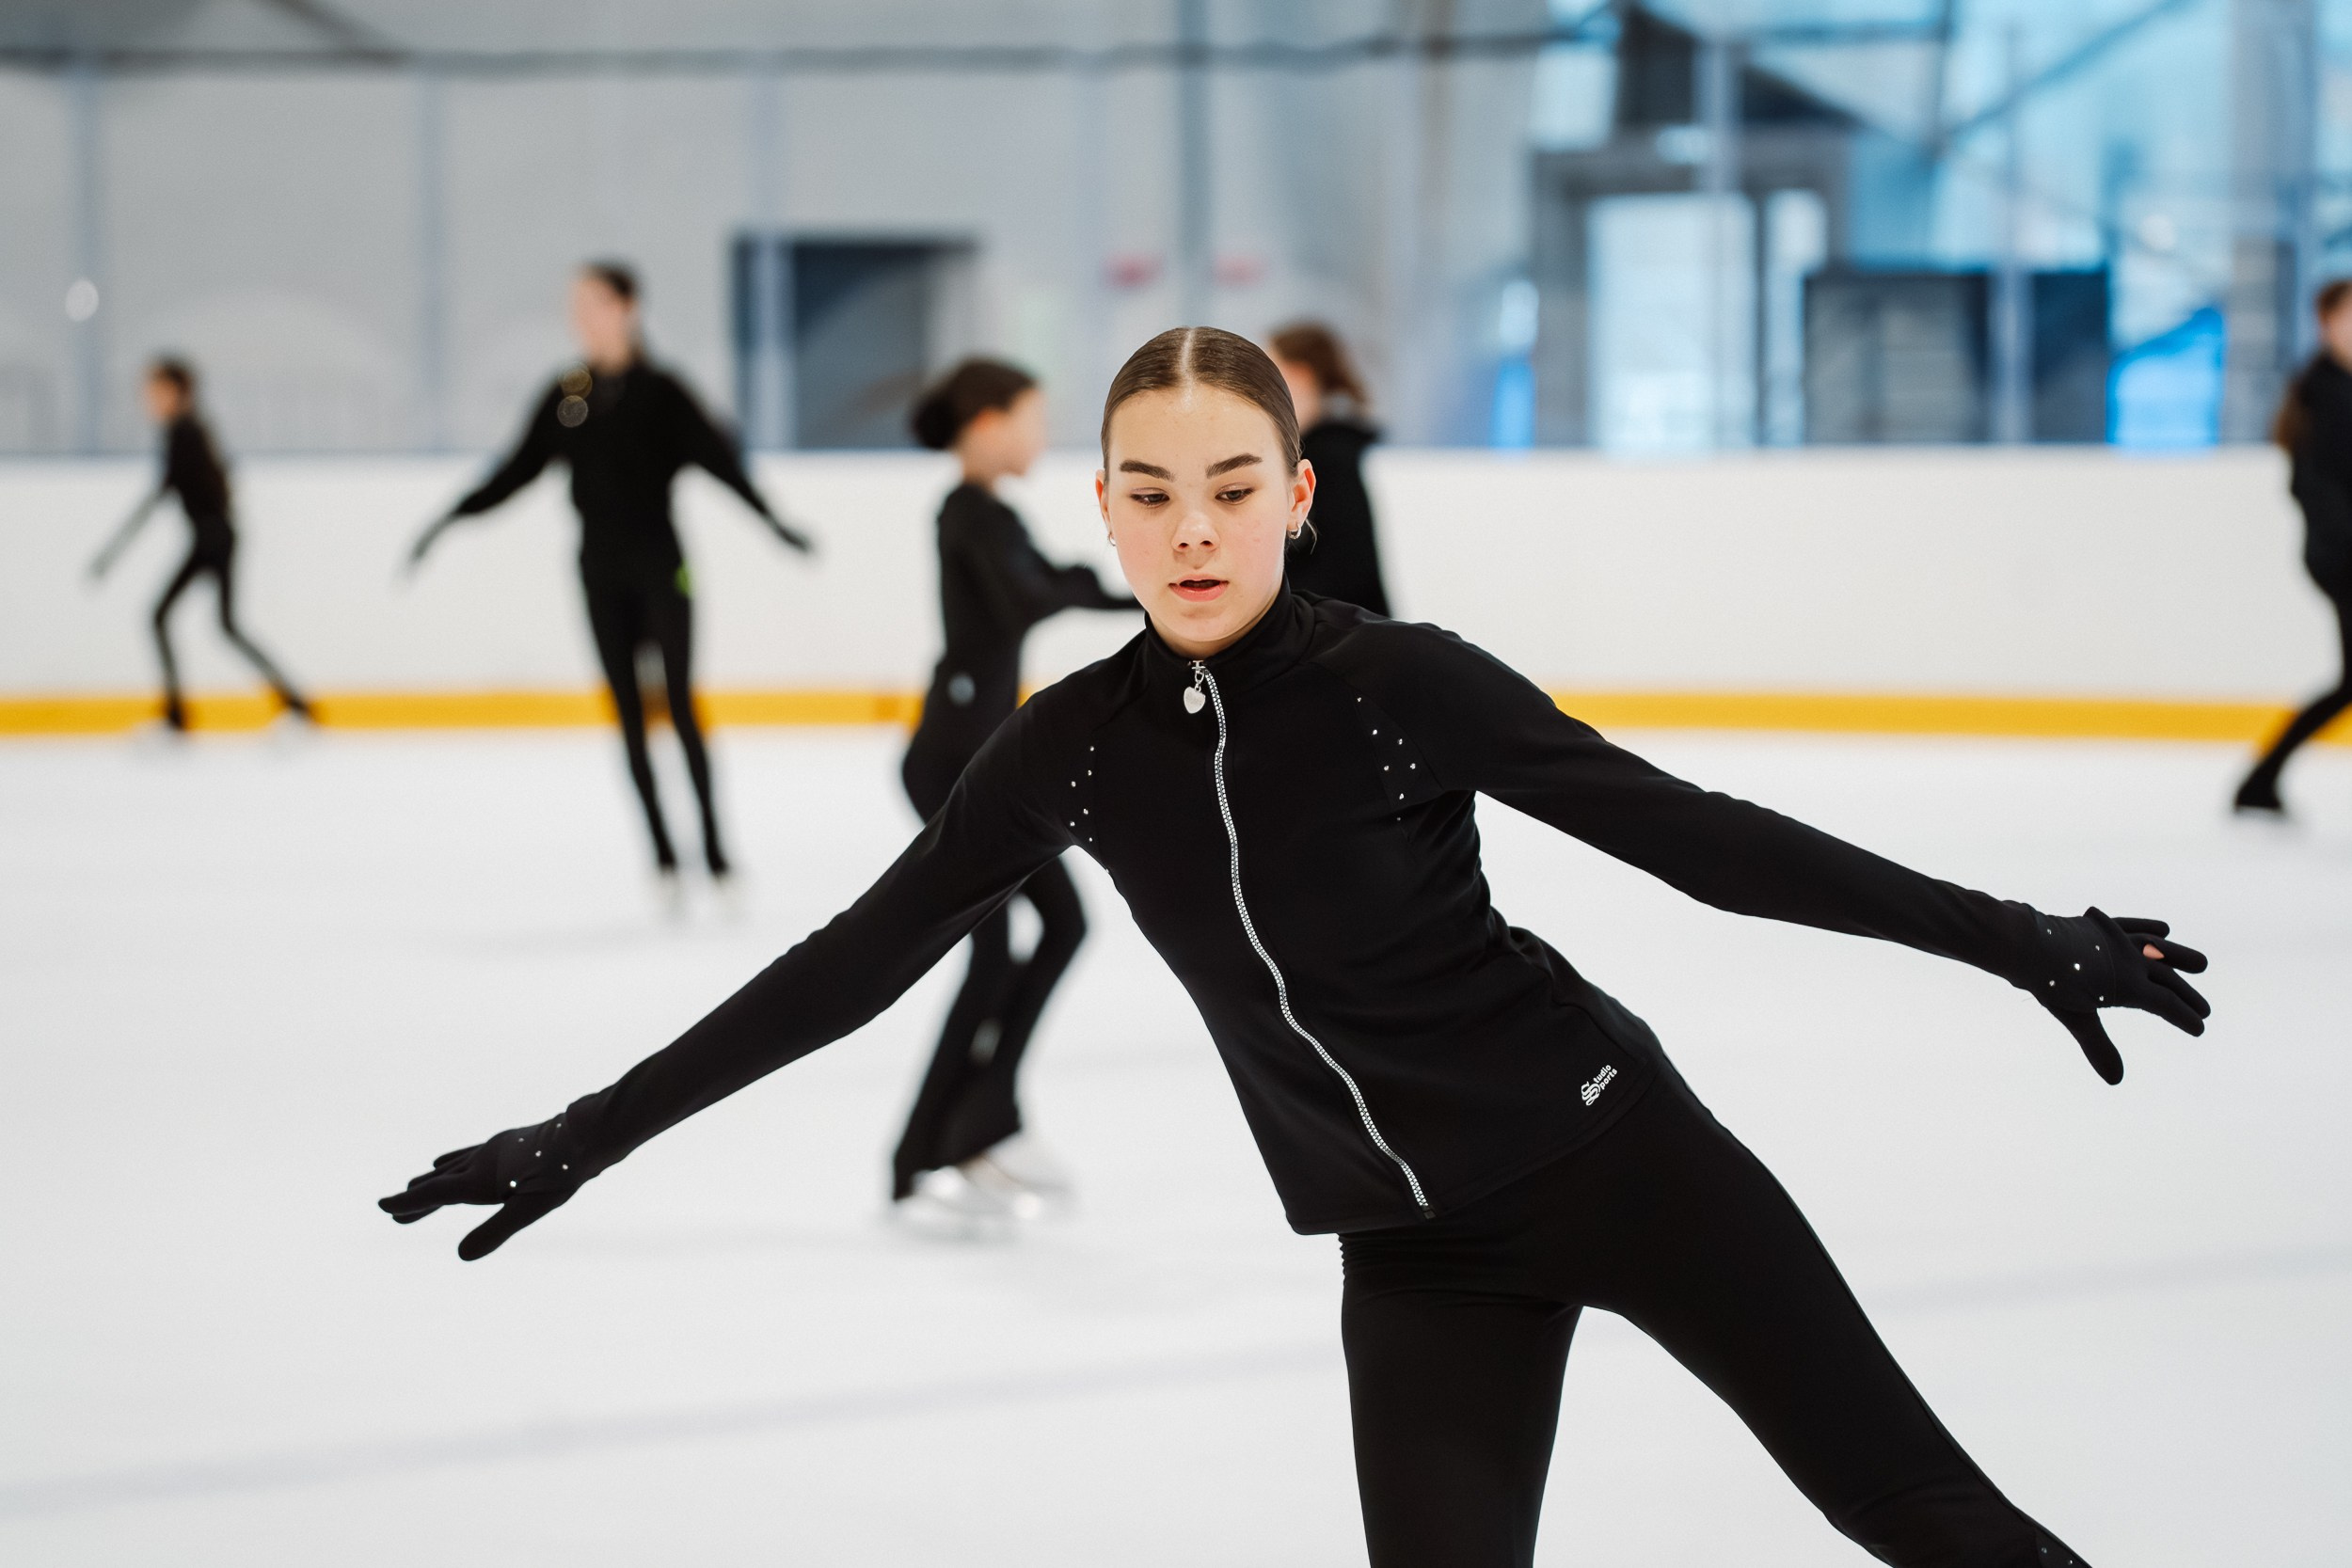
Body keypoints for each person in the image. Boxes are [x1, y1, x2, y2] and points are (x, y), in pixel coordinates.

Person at [384, 327, 2211, 1568]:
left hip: (1619, 1161)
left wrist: (2012, 938)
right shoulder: (1072, 745)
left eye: (1231, 485)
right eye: (1150, 488)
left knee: (1923, 1517)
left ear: (1294, 495)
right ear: (1095, 507)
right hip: (1414, 1259)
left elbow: (1696, 840)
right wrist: (591, 1125)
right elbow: (856, 956)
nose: (1190, 526)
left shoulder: (1397, 685)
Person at [408, 263, 814, 888]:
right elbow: (517, 470)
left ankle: (713, 844)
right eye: (575, 305)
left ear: (628, 306)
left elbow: (720, 462)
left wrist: (774, 522)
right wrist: (450, 518)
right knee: (628, 711)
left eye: (593, 302)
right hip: (600, 570)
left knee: (678, 702)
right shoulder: (567, 394)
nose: (581, 316)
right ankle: (662, 851)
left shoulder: (663, 390)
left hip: (662, 565)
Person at [893, 359, 1136, 1223]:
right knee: (1025, 940)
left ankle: (957, 1130)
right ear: (988, 424)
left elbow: (1051, 580)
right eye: (1031, 419)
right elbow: (1031, 593)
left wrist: (1144, 590)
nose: (1040, 437)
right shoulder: (967, 515)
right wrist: (1135, 592)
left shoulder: (992, 515)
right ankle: (950, 1135)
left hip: (976, 758)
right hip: (958, 765)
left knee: (1047, 933)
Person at [87, 357, 313, 732]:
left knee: (195, 621)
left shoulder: (186, 433)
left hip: (215, 539)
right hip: (212, 537)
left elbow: (174, 491)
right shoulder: (187, 431)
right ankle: (290, 703)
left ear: (177, 392)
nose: (149, 400)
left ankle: (283, 704)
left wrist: (112, 553)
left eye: (156, 392)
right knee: (214, 625)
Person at [2233, 277, 2352, 816]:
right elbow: (2312, 488)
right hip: (2341, 559)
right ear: (2327, 325)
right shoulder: (2324, 393)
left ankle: (2260, 781)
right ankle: (2259, 781)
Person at [1269, 321, 1389, 615]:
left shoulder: (1331, 457)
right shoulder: (1318, 452)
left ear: (1298, 375)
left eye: (1270, 371)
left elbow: (1349, 572)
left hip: (1343, 638)